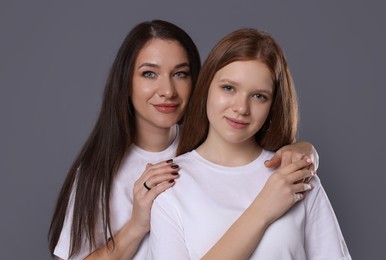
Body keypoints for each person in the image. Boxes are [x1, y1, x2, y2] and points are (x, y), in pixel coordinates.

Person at [48, 20, 319, 260]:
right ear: (126, 82)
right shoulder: (99, 172)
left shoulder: (211, 146)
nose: (167, 90)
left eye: (180, 74)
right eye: (149, 74)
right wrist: (137, 225)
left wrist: (303, 150)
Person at [148, 28, 351, 259]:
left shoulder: (296, 176)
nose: (241, 108)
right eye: (228, 88)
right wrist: (263, 209)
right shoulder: (170, 185)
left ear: (272, 105)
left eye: (259, 96)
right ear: (206, 88)